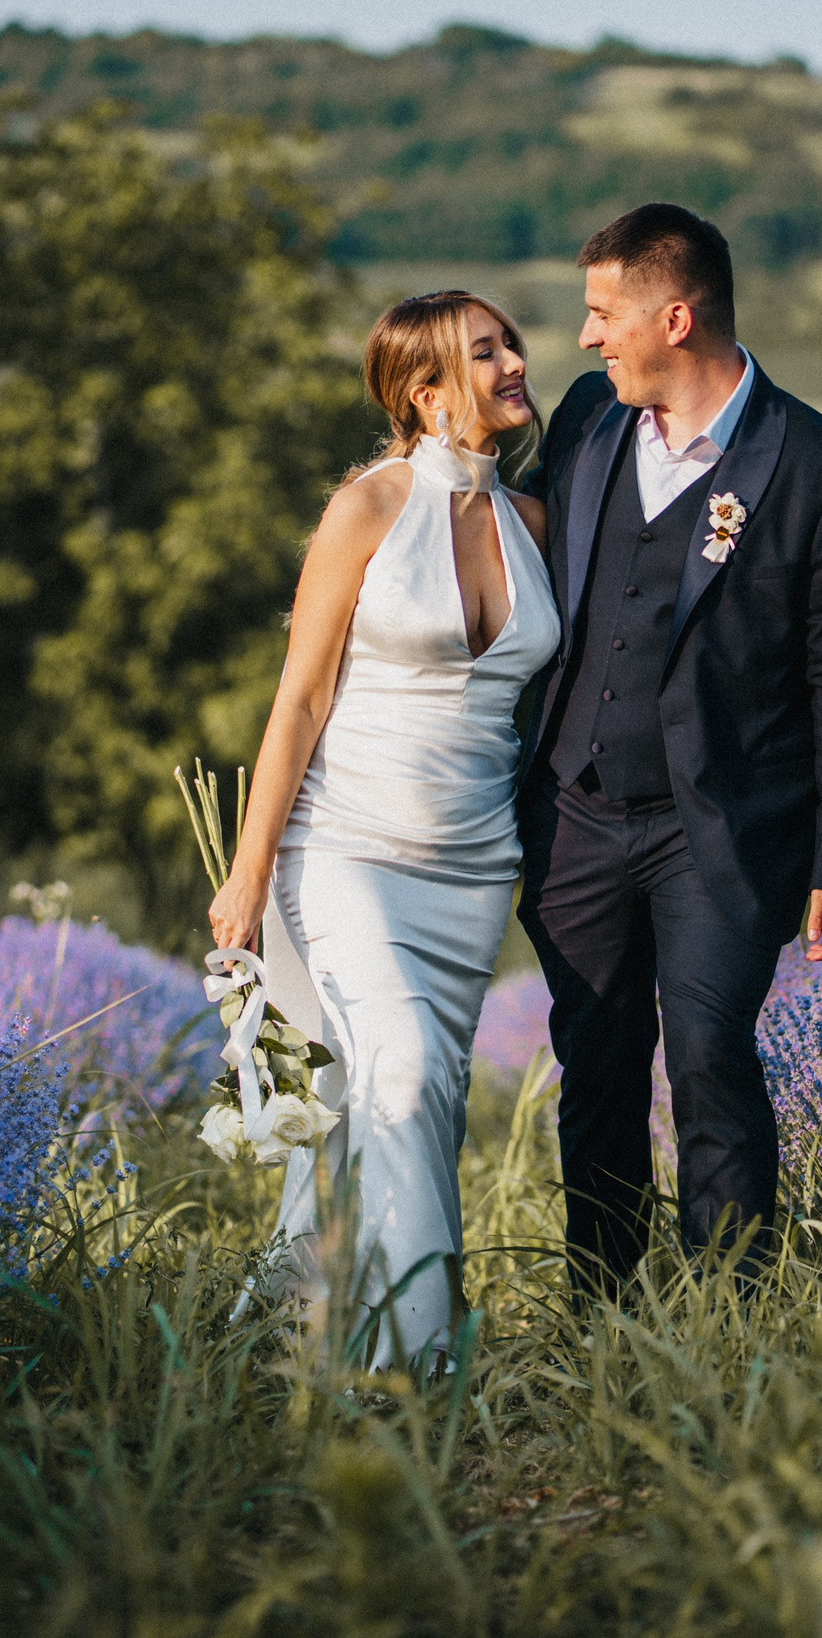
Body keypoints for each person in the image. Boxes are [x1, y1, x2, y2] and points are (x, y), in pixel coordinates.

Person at [519, 202, 822, 1299]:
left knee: (711, 1067)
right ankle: (604, 1315)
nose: (586, 340)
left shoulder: (820, 470)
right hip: (573, 813)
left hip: (716, 831)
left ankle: (729, 1324)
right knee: (593, 1069)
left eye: (602, 314)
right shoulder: (588, 419)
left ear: (674, 317)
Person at [206, 291, 556, 1369]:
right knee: (396, 1073)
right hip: (345, 849)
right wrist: (246, 872)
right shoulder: (366, 509)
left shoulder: (534, 525)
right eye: (483, 352)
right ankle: (419, 1360)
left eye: (508, 344)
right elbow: (299, 700)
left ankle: (297, 1326)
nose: (513, 362)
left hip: (471, 872)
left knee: (401, 1104)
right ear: (426, 391)